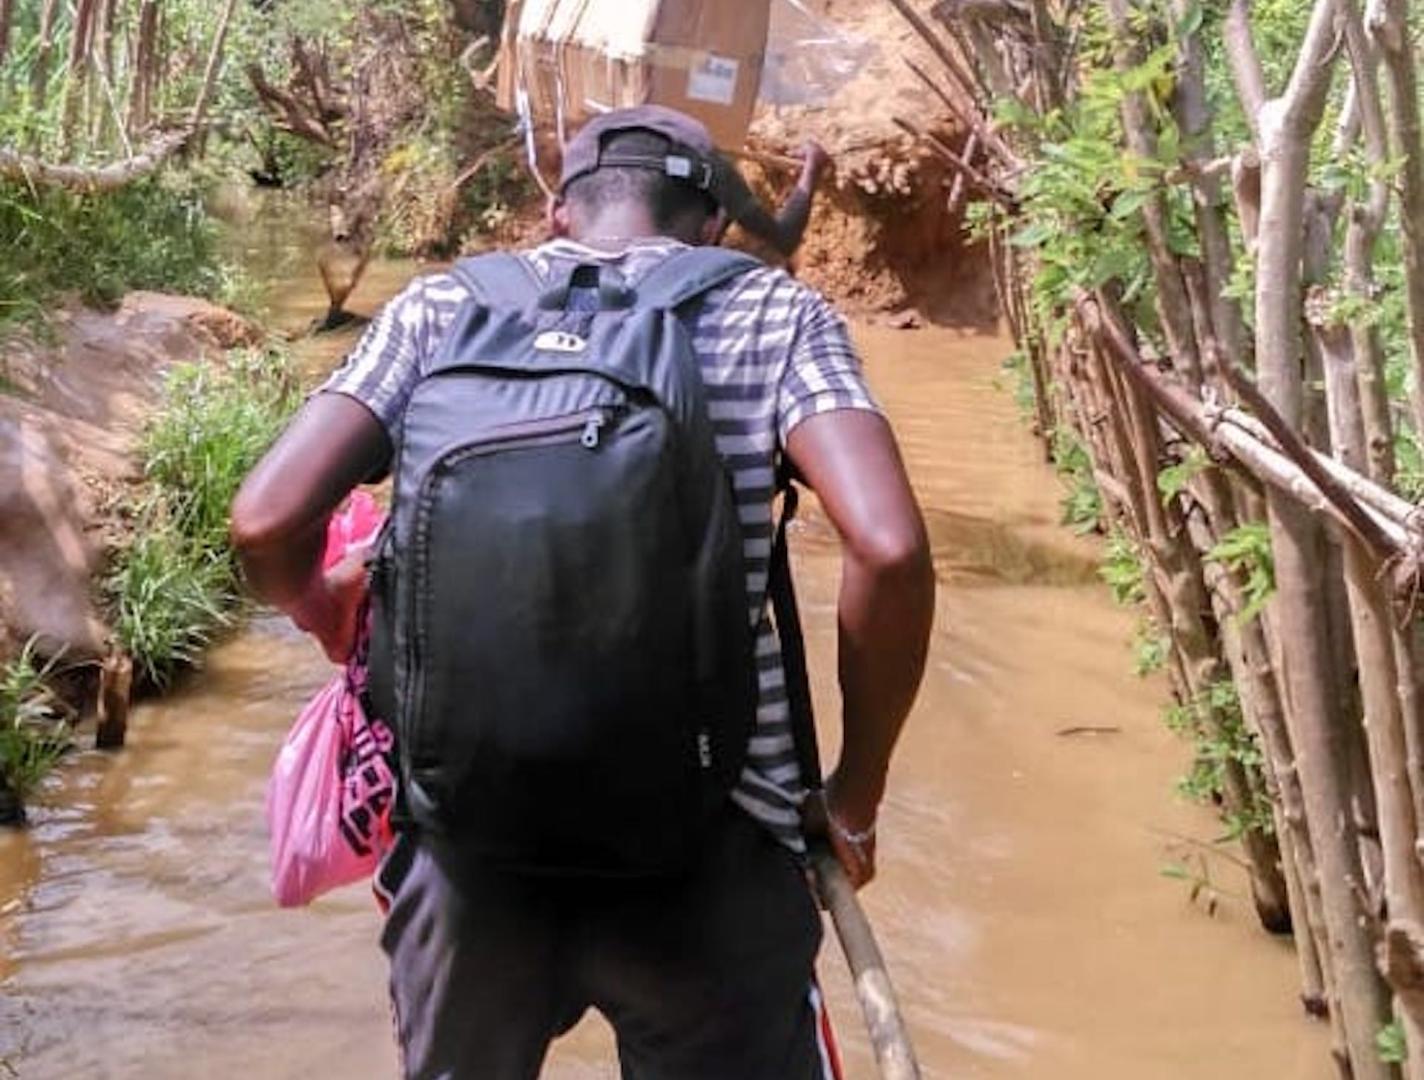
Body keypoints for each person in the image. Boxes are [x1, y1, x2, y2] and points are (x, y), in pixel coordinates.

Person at [230, 104, 935, 1080]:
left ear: (555, 215)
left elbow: (265, 522)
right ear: (713, 227)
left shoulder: (440, 310)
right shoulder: (774, 313)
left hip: (467, 850)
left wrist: (322, 611)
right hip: (712, 851)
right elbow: (889, 551)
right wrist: (854, 794)